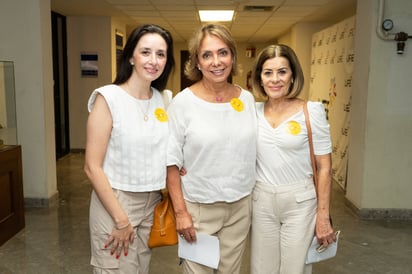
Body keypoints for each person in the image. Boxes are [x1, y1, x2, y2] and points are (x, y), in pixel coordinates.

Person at [83, 24, 175, 274]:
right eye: (145, 52)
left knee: (140, 269)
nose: (153, 61)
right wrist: (121, 219)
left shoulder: (163, 99)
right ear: (131, 56)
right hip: (115, 201)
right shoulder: (108, 97)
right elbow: (92, 167)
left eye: (161, 54)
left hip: (152, 201)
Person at [166, 23, 257, 274]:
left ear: (233, 56)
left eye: (223, 52)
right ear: (197, 61)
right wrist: (181, 212)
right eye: (207, 55)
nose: (216, 62)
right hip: (198, 209)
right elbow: (170, 162)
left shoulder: (246, 99)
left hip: (239, 207)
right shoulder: (183, 103)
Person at [250, 44, 336, 274]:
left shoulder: (311, 111)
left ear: (293, 75)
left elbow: (325, 168)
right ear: (259, 77)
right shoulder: (252, 111)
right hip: (261, 201)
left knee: (294, 270)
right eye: (268, 73)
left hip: (300, 203)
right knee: (261, 269)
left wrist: (323, 217)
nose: (275, 79)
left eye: (282, 72)